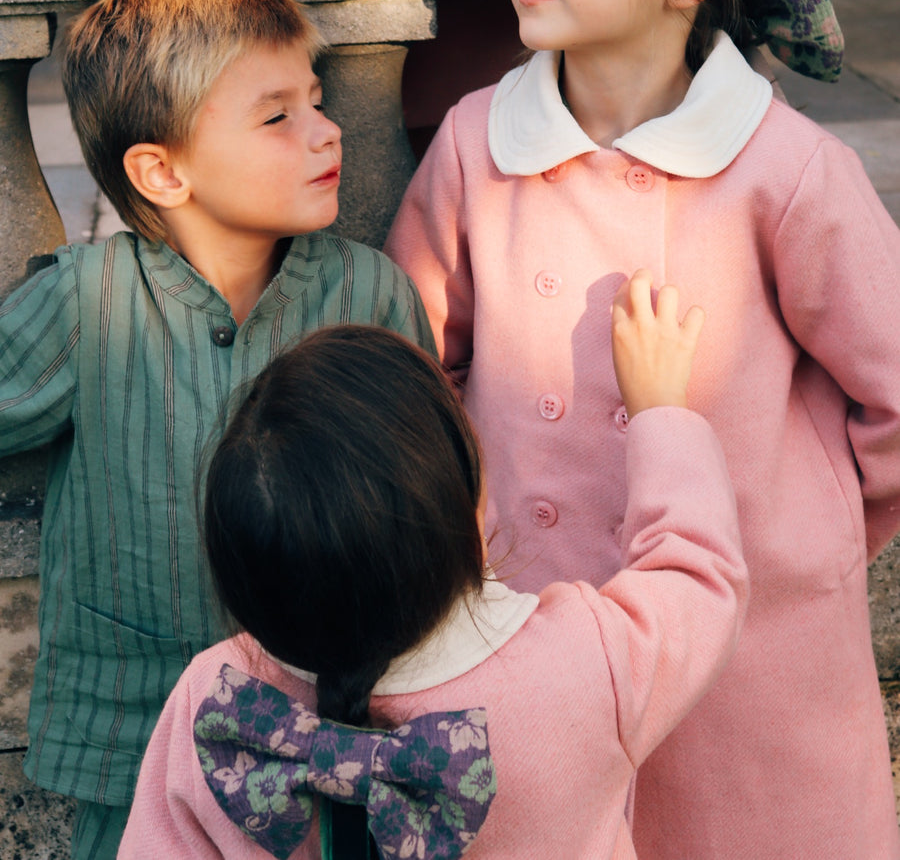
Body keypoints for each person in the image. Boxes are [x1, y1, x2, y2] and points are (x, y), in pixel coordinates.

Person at [386, 0, 900, 860]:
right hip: (536, 635)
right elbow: (410, 364)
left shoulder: (788, 171)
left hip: (752, 651)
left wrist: (808, 525)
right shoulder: (481, 144)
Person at [0, 0, 433, 860]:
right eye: (277, 116)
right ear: (162, 170)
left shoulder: (368, 293)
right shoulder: (87, 303)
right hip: (137, 751)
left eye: (316, 100)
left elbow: (430, 502)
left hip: (337, 746)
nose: (327, 128)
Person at [119, 276, 747, 859]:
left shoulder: (215, 697)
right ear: (466, 503)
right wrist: (661, 409)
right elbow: (697, 574)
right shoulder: (589, 663)